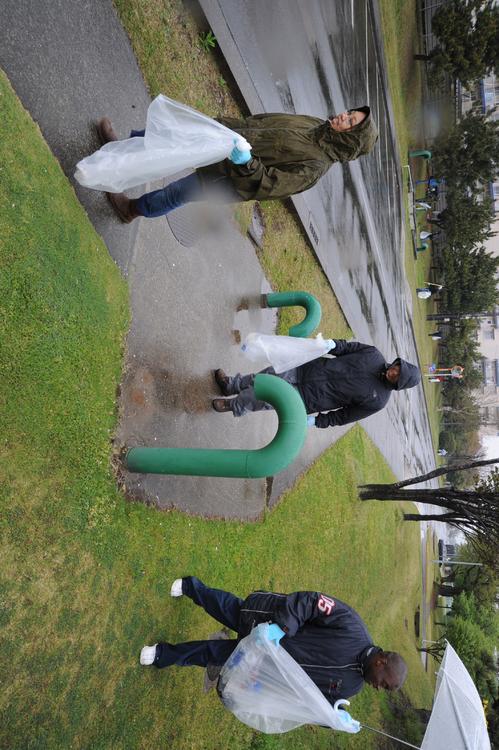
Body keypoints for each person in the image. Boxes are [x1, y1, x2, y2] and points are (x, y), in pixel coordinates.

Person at [140, 576, 408, 705]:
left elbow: (311, 700)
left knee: (213, 654)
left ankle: (163, 655)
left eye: (384, 688)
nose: (377, 687)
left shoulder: (351, 688)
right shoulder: (352, 626)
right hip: (267, 625)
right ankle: (191, 587)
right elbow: (312, 602)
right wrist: (281, 628)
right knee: (224, 607)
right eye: (384, 683)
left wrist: (333, 717)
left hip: (263, 661)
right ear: (382, 661)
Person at [96, 106, 378, 223]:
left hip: (228, 178)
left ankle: (130, 209)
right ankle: (120, 149)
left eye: (350, 121)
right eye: (350, 112)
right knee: (170, 137)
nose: (343, 115)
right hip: (222, 140)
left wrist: (245, 162)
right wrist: (230, 127)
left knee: (175, 194)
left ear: (350, 140)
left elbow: (267, 185)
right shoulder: (315, 125)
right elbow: (264, 121)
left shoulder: (315, 167)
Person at [211, 338, 421, 426]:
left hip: (305, 399)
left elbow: (344, 416)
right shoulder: (373, 355)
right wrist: (331, 344)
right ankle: (230, 385)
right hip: (304, 368)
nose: (394, 372)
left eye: (398, 376)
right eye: (397, 367)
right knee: (263, 378)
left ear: (399, 385)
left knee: (262, 397)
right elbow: (346, 348)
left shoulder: (379, 401)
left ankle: (232, 405)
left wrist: (317, 422)